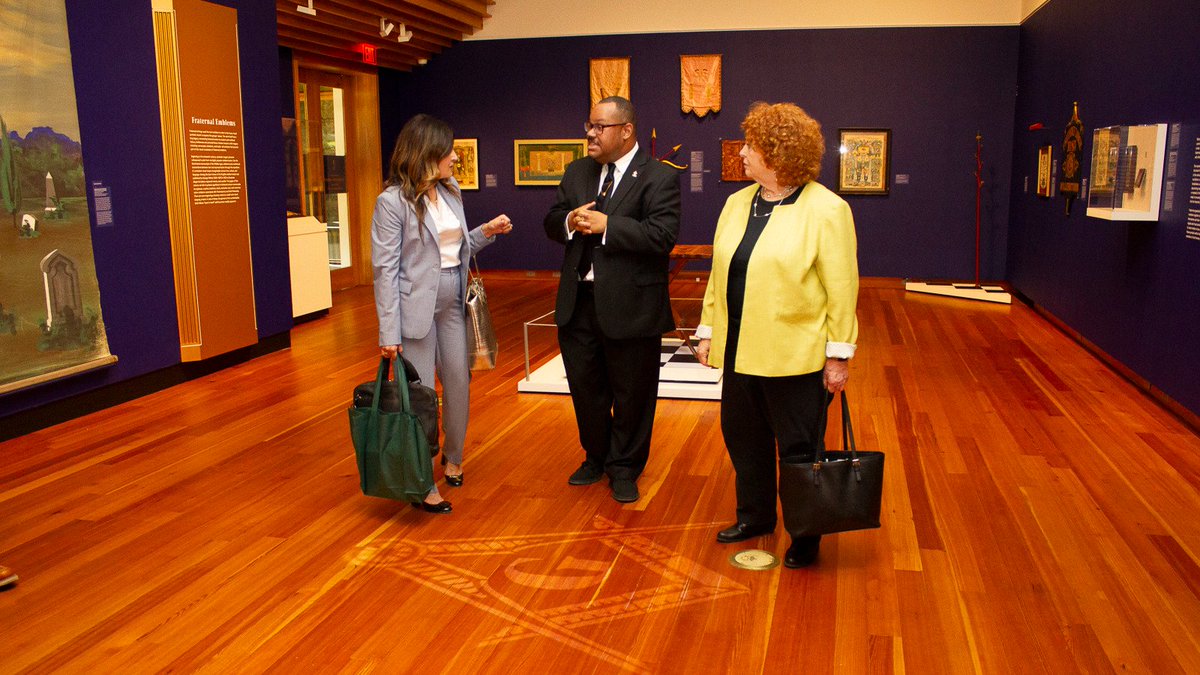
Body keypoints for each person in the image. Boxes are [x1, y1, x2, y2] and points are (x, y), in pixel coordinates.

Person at [695, 102, 859, 568]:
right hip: (741, 353)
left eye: (751, 146)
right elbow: (718, 276)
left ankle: (806, 533)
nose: (742, 152)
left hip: (797, 360)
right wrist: (709, 332)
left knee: (799, 451)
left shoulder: (828, 210)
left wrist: (838, 355)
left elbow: (842, 288)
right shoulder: (735, 204)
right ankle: (756, 517)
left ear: (779, 154)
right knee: (743, 440)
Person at [543, 96, 681, 503]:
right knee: (586, 391)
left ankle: (625, 468)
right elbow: (552, 220)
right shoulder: (577, 171)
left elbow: (662, 237)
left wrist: (608, 226)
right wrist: (568, 221)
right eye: (588, 125)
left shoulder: (659, 177)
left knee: (633, 394)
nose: (589, 133)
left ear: (626, 130)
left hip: (631, 307)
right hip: (578, 303)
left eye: (599, 127)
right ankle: (596, 458)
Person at [372, 114, 513, 514]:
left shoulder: (451, 192)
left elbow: (456, 248)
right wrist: (388, 331)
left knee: (458, 383)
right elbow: (385, 269)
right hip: (413, 312)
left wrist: (487, 231)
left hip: (453, 304)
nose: (455, 156)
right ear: (427, 153)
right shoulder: (392, 203)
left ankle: (453, 457)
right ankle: (421, 481)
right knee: (418, 398)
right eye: (448, 150)